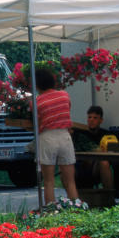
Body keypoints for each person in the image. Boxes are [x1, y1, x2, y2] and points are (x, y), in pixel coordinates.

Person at [35, 68, 79, 205]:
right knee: (70, 181)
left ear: (37, 85)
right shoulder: (64, 95)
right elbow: (67, 112)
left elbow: (38, 122)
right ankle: (76, 209)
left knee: (48, 181)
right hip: (65, 137)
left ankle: (50, 212)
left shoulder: (37, 101)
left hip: (47, 137)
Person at [72, 105, 114, 190]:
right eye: (89, 117)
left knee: (104, 163)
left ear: (101, 120)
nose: (91, 120)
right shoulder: (79, 133)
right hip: (79, 167)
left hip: (95, 168)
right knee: (65, 168)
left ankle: (109, 197)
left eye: (95, 118)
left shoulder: (106, 135)